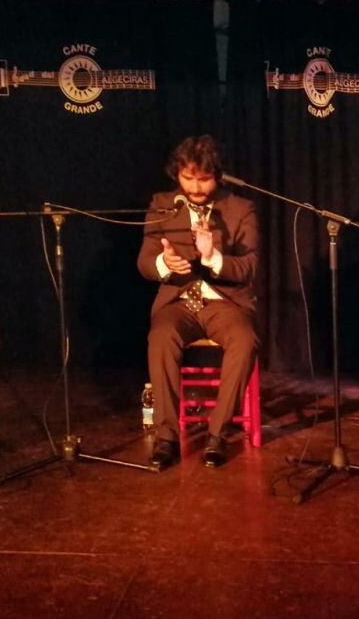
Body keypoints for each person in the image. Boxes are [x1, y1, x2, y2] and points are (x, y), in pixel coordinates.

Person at [137, 135, 259, 470]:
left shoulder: (240, 209)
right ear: (177, 174)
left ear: (217, 175)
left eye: (203, 179)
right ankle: (166, 437)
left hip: (224, 302)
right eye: (188, 178)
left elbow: (249, 266)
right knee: (160, 337)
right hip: (177, 300)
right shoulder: (162, 203)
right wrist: (165, 264)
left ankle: (217, 434)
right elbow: (145, 261)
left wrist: (213, 256)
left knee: (244, 340)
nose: (195, 187)